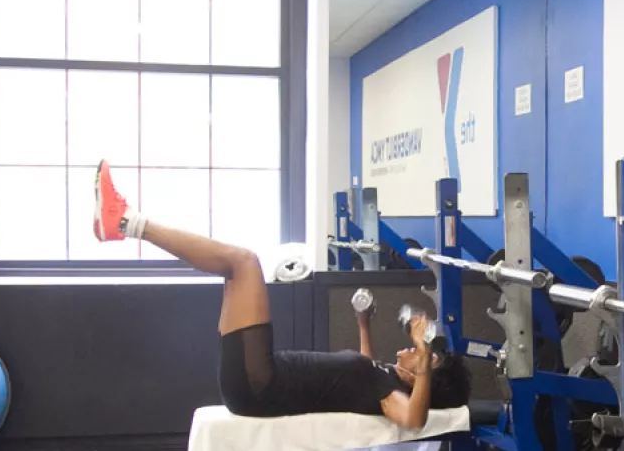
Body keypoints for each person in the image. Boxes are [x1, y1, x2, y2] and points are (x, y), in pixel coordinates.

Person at [91, 161, 469, 429]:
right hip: (257, 379)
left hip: (261, 382)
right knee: (235, 270)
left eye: (425, 358)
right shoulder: (381, 377)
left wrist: (423, 364)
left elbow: (414, 420)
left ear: (423, 378)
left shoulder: (393, 394)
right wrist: (363, 324)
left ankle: (125, 221)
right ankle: (122, 222)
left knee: (243, 263)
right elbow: (362, 370)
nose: (414, 349)